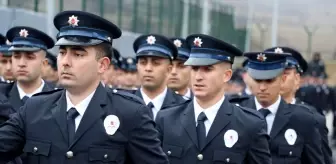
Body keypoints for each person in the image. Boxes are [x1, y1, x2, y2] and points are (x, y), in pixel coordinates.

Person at [0, 10, 168, 164]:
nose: (65, 61)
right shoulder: (34, 109)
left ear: (102, 65)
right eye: (63, 52)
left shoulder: (130, 113)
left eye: (78, 54)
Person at [156, 34, 271, 163]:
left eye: (207, 69)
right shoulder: (167, 119)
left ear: (226, 75)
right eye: (194, 68)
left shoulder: (249, 125)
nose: (198, 76)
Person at [230, 51, 324, 164]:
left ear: (282, 80)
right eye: (257, 80)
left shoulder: (302, 120)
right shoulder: (234, 114)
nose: (263, 87)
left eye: (269, 80)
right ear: (249, 79)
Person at [264, 46, 332, 164]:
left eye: (285, 74)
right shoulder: (244, 113)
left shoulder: (313, 120)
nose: (278, 79)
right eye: (272, 73)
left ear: (297, 79)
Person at [0, 26, 57, 112]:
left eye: (30, 57)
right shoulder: (1, 94)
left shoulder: (58, 98)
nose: (21, 64)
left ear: (44, 63)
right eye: (17, 57)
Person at [131, 34, 186, 120]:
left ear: (169, 69)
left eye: (156, 63)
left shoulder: (184, 108)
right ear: (137, 66)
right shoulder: (124, 103)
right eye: (143, 62)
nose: (148, 69)